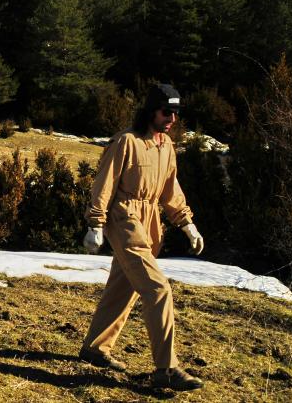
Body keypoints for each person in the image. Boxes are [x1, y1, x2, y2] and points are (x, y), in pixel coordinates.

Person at [78, 83, 206, 391]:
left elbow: (170, 190)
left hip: (150, 223)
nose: (172, 119)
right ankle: (167, 368)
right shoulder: (126, 142)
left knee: (124, 287)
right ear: (151, 111)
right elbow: (104, 183)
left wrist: (186, 223)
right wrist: (95, 224)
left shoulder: (166, 147)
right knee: (157, 288)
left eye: (175, 113)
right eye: (166, 112)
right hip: (123, 219)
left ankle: (95, 348)